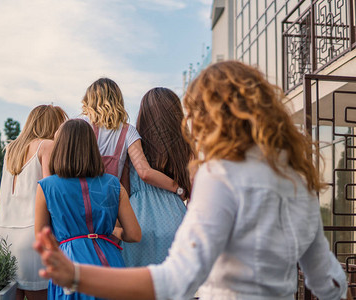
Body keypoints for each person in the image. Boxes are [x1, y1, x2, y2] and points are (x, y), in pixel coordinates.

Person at [34, 61, 351, 300]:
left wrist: (76, 275)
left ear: (214, 117)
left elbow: (176, 280)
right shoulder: (298, 180)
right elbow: (329, 282)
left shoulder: (221, 175)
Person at [34, 119, 141, 300]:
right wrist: (113, 231)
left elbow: (41, 238)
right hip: (111, 265)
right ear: (92, 147)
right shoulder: (113, 184)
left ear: (60, 148)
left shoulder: (46, 187)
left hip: (70, 266)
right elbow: (134, 234)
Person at [0, 104, 68, 300]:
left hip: (1, 235)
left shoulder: (10, 148)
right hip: (32, 233)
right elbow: (50, 189)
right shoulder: (46, 146)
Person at [122, 87, 193, 267]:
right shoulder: (185, 148)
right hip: (176, 220)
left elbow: (124, 188)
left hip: (137, 222)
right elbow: (192, 194)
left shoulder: (133, 145)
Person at [81, 78, 186, 198]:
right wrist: (177, 188)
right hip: (108, 203)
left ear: (89, 100)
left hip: (80, 198)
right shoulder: (128, 132)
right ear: (118, 100)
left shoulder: (80, 125)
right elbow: (145, 172)